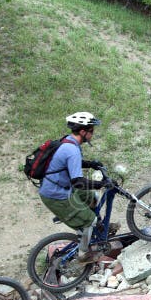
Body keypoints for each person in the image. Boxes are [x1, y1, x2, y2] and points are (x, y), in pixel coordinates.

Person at [38, 111, 108, 261]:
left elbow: (68, 163)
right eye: (91, 131)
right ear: (83, 132)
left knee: (92, 197)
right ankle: (83, 253)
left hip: (63, 188)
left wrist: (90, 164)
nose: (93, 134)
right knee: (90, 221)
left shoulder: (68, 141)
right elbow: (78, 182)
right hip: (56, 196)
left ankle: (88, 228)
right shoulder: (72, 150)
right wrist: (101, 184)